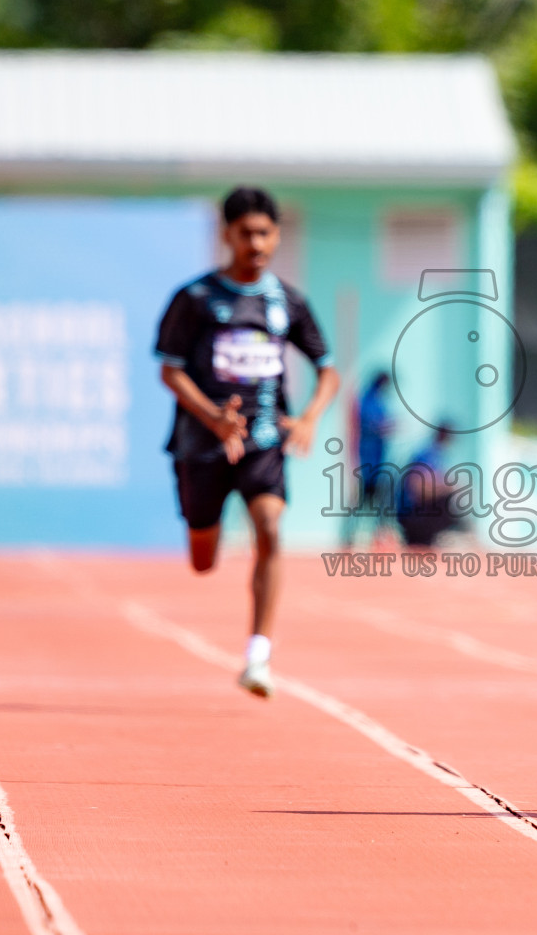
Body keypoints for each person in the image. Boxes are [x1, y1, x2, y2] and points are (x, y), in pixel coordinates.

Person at [155, 186, 339, 699]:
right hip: (202, 444)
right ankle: (201, 531)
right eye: (246, 233)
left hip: (262, 441)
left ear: (277, 236)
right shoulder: (195, 299)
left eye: (264, 233)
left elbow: (327, 370)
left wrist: (307, 418)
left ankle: (258, 656)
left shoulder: (288, 304)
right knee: (202, 559)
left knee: (269, 527)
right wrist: (213, 417)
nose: (256, 243)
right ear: (227, 235)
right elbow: (169, 371)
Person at [341, 371, 397, 549]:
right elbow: (370, 425)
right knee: (361, 502)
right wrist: (388, 426)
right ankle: (350, 537)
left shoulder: (379, 401)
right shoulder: (368, 400)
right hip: (367, 462)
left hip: (378, 463)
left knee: (378, 502)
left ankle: (376, 537)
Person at [396, 423, 459, 548]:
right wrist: (446, 487)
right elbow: (418, 487)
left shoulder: (437, 454)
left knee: (451, 491)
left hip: (416, 513)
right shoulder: (427, 454)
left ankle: (440, 535)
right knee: (448, 494)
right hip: (412, 515)